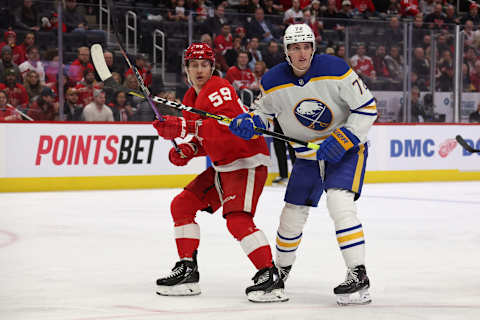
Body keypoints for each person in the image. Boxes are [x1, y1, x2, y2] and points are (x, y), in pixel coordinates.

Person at [229, 24, 376, 305]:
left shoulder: (336, 68)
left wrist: (345, 137)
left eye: (306, 46)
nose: (301, 52)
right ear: (286, 51)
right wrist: (251, 122)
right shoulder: (272, 80)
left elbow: (366, 107)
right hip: (308, 157)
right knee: (291, 215)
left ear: (313, 48)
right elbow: (263, 113)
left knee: (339, 204)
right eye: (295, 47)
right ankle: (279, 273)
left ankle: (358, 274)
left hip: (345, 152)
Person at [152, 42, 287, 303]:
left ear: (212, 67)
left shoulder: (219, 88)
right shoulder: (191, 98)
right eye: (194, 65)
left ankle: (270, 275)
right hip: (224, 165)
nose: (199, 70)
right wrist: (189, 148)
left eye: (204, 64)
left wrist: (181, 128)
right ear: (186, 69)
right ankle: (188, 270)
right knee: (182, 206)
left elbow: (225, 128)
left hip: (246, 161)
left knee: (237, 220)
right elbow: (208, 137)